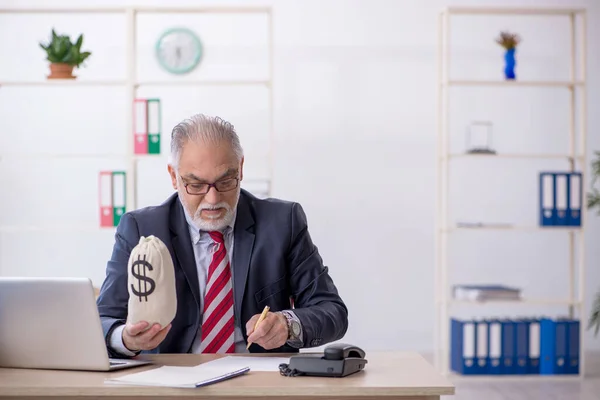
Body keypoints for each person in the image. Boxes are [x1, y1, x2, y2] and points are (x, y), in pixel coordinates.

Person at [96, 113, 348, 356]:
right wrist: (126, 339)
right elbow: (103, 320)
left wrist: (288, 324)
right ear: (174, 176)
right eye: (196, 185)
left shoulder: (283, 222)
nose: (213, 199)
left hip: (257, 383)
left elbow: (332, 311)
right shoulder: (142, 229)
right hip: (174, 381)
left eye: (226, 182)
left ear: (240, 168)